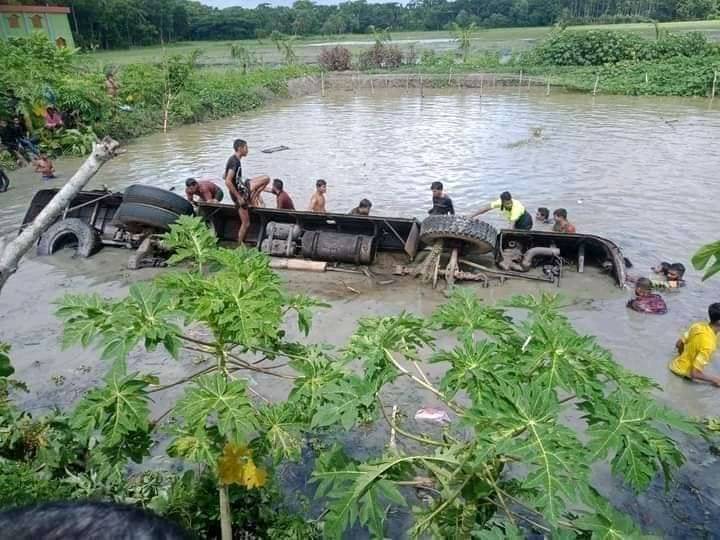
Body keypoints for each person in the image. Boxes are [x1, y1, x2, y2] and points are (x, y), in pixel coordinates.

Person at [224, 138, 270, 244]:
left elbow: (224, 176)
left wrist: (238, 181)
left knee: (266, 178)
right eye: (246, 148)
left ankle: (253, 197)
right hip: (240, 195)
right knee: (246, 223)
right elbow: (227, 181)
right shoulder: (234, 161)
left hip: (243, 187)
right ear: (240, 148)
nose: (247, 150)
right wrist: (239, 197)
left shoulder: (234, 159)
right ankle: (240, 244)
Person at [669, 303, 720, 386]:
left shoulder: (698, 326)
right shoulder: (709, 345)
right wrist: (715, 379)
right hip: (682, 375)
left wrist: (682, 357)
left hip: (674, 365)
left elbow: (679, 344)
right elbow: (694, 374)